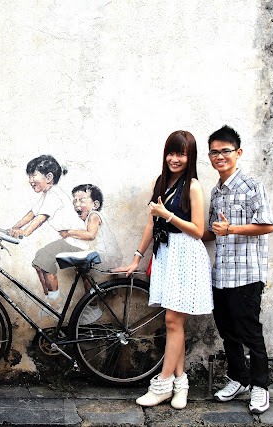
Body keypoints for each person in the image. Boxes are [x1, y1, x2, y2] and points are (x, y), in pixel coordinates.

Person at [115, 130, 212, 410]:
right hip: (166, 254)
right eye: (171, 152)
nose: (175, 159)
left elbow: (198, 230)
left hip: (187, 255)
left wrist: (168, 215)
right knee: (174, 323)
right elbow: (150, 223)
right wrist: (136, 258)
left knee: (172, 321)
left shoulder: (193, 186)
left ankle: (162, 384)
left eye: (181, 154)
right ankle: (181, 385)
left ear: (190, 157)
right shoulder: (160, 182)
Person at [202, 125, 273, 414]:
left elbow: (267, 225)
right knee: (228, 332)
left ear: (238, 152)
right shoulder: (216, 191)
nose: (219, 157)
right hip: (221, 275)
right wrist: (183, 229)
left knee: (250, 333)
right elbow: (212, 231)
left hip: (246, 274)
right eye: (214, 152)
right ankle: (239, 379)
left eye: (225, 151)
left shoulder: (252, 186)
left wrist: (230, 228)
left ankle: (260, 387)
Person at [10, 155, 87, 314]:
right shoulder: (47, 194)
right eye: (29, 176)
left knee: (44, 259)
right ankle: (51, 298)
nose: (31, 180)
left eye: (34, 175)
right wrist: (13, 228)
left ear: (49, 177)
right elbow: (31, 214)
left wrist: (24, 232)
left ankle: (55, 301)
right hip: (69, 240)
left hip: (76, 241)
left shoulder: (54, 194)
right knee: (39, 262)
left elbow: (40, 218)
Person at [59, 184, 123, 324]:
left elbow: (90, 235)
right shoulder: (88, 217)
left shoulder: (94, 216)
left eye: (82, 200)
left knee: (84, 269)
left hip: (109, 256)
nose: (77, 204)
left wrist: (69, 232)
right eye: (74, 201)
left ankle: (93, 304)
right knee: (84, 270)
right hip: (105, 254)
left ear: (95, 204)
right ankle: (101, 291)